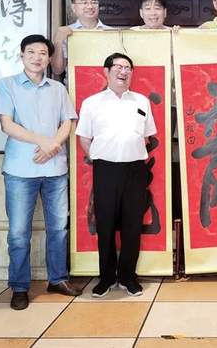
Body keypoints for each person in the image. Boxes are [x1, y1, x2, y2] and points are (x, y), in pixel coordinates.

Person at [0, 34, 81, 311]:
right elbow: (7, 125)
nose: (37, 57)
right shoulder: (6, 85)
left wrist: (53, 145)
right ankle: (19, 286)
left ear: (49, 58)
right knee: (19, 232)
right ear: (21, 55)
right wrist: (43, 141)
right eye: (31, 52)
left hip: (55, 170)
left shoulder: (58, 88)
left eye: (43, 53)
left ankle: (58, 279)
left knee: (59, 229)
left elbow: (67, 122)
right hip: (20, 170)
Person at [76, 53, 156, 298]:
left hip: (135, 170)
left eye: (128, 67)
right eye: (119, 67)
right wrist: (102, 156)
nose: (124, 71)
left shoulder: (141, 101)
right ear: (106, 71)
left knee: (132, 224)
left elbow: (147, 136)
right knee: (106, 224)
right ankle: (107, 278)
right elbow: (84, 138)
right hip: (105, 170)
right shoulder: (92, 103)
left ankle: (128, 277)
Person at [51, 0, 110, 77]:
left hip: (105, 84)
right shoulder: (65, 33)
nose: (90, 6)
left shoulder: (111, 32)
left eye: (94, 2)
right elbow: (57, 70)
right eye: (84, 2)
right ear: (74, 7)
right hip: (74, 85)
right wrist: (58, 41)